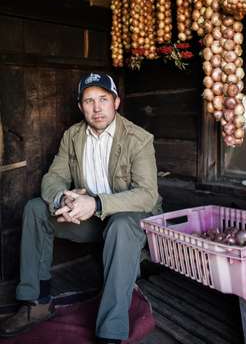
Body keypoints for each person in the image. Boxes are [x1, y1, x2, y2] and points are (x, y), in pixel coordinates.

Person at [0, 72, 161, 344]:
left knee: (120, 225)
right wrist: (62, 198)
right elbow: (53, 178)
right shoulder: (72, 136)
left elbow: (147, 195)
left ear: (116, 102)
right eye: (89, 101)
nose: (97, 108)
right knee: (36, 209)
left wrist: (97, 203)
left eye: (103, 99)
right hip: (88, 219)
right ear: (80, 106)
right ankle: (36, 302)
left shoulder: (138, 138)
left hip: (130, 220)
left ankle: (110, 330)